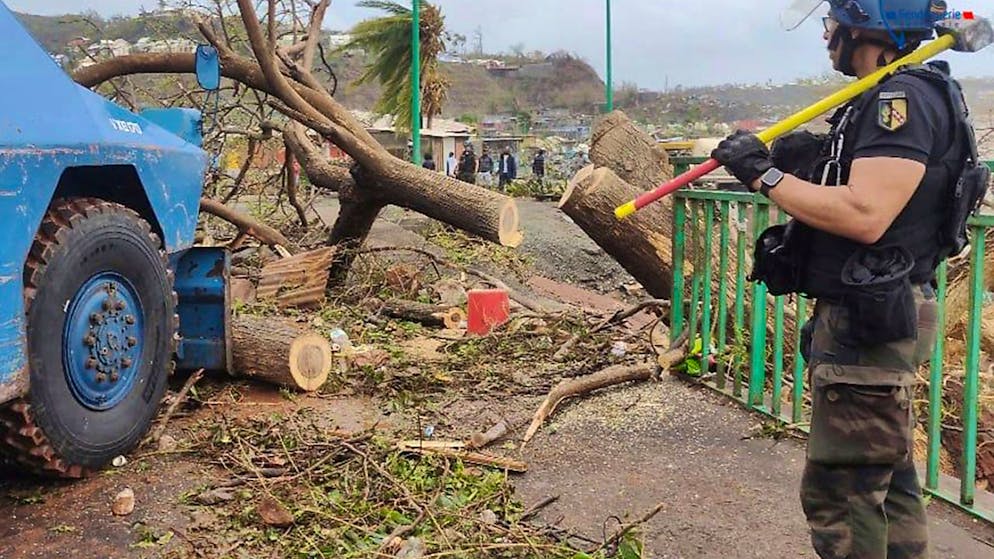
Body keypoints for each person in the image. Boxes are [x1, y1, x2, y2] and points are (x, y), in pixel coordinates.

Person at [710, 1, 985, 558]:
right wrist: (806, 164)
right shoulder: (900, 92)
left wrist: (765, 177)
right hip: (873, 314)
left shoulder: (899, 98)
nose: (827, 34)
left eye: (832, 21)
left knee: (845, 492)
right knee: (885, 479)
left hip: (872, 320)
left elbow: (866, 213)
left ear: (866, 24)